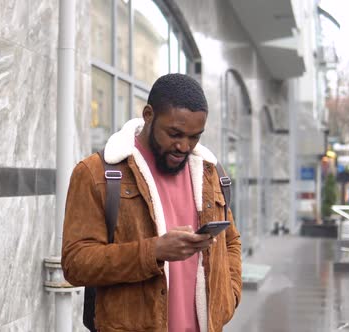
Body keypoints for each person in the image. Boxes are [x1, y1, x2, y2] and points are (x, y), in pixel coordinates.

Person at [62, 74, 242, 332]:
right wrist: (154, 251)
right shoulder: (97, 174)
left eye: (194, 137)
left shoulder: (210, 173)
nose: (184, 146)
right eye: (174, 133)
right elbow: (75, 263)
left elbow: (231, 241)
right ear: (148, 115)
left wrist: (229, 295)